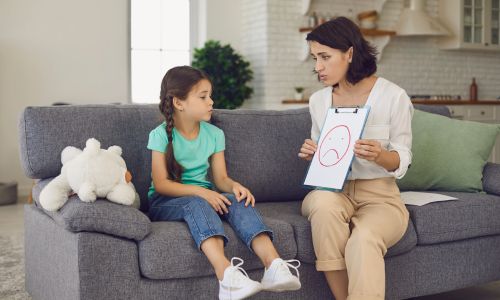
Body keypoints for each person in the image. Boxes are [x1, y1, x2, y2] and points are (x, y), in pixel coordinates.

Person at [147, 66, 301, 300]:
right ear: (179, 103)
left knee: (237, 201)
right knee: (196, 204)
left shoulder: (214, 134)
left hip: (205, 197)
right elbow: (161, 184)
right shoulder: (159, 135)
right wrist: (202, 194)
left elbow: (220, 179)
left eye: (210, 95)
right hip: (166, 201)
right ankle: (226, 276)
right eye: (203, 96)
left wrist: (235, 187)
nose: (211, 101)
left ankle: (274, 266)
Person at [298, 17, 413, 300]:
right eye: (315, 58)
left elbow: (403, 157)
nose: (318, 67)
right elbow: (325, 161)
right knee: (323, 207)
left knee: (362, 240)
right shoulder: (318, 101)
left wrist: (381, 156)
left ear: (349, 53)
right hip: (332, 191)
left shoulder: (393, 96)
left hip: (381, 197)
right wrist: (314, 154)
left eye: (325, 57)